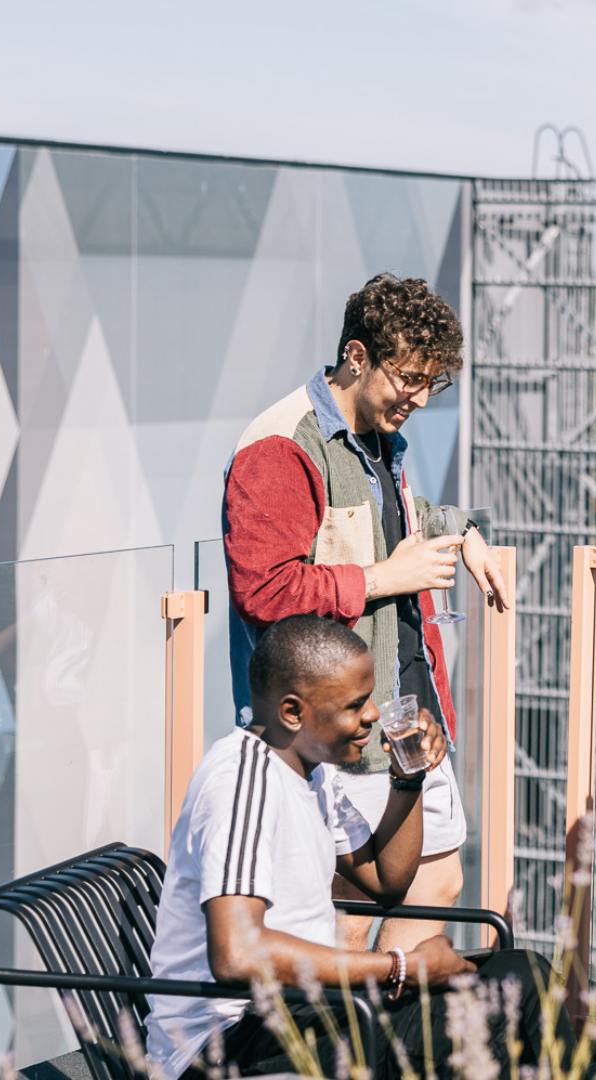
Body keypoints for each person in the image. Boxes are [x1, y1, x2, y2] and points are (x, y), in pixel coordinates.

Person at [222, 273, 509, 953]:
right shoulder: (281, 445)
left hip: (408, 708)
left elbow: (393, 523)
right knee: (345, 910)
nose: (419, 397)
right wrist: (384, 578)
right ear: (357, 355)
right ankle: (348, 1039)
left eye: (431, 383)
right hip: (336, 724)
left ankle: (386, 1022)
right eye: (408, 377)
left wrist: (463, 532)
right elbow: (263, 591)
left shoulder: (378, 436)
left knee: (439, 877)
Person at [145, 616, 559, 1080]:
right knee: (501, 1008)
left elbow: (386, 882)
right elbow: (237, 954)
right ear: (292, 713)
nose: (372, 715)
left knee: (522, 972)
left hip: (303, 1012)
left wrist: (408, 776)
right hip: (227, 1044)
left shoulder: (312, 773)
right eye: (354, 704)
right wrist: (401, 966)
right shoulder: (244, 783)